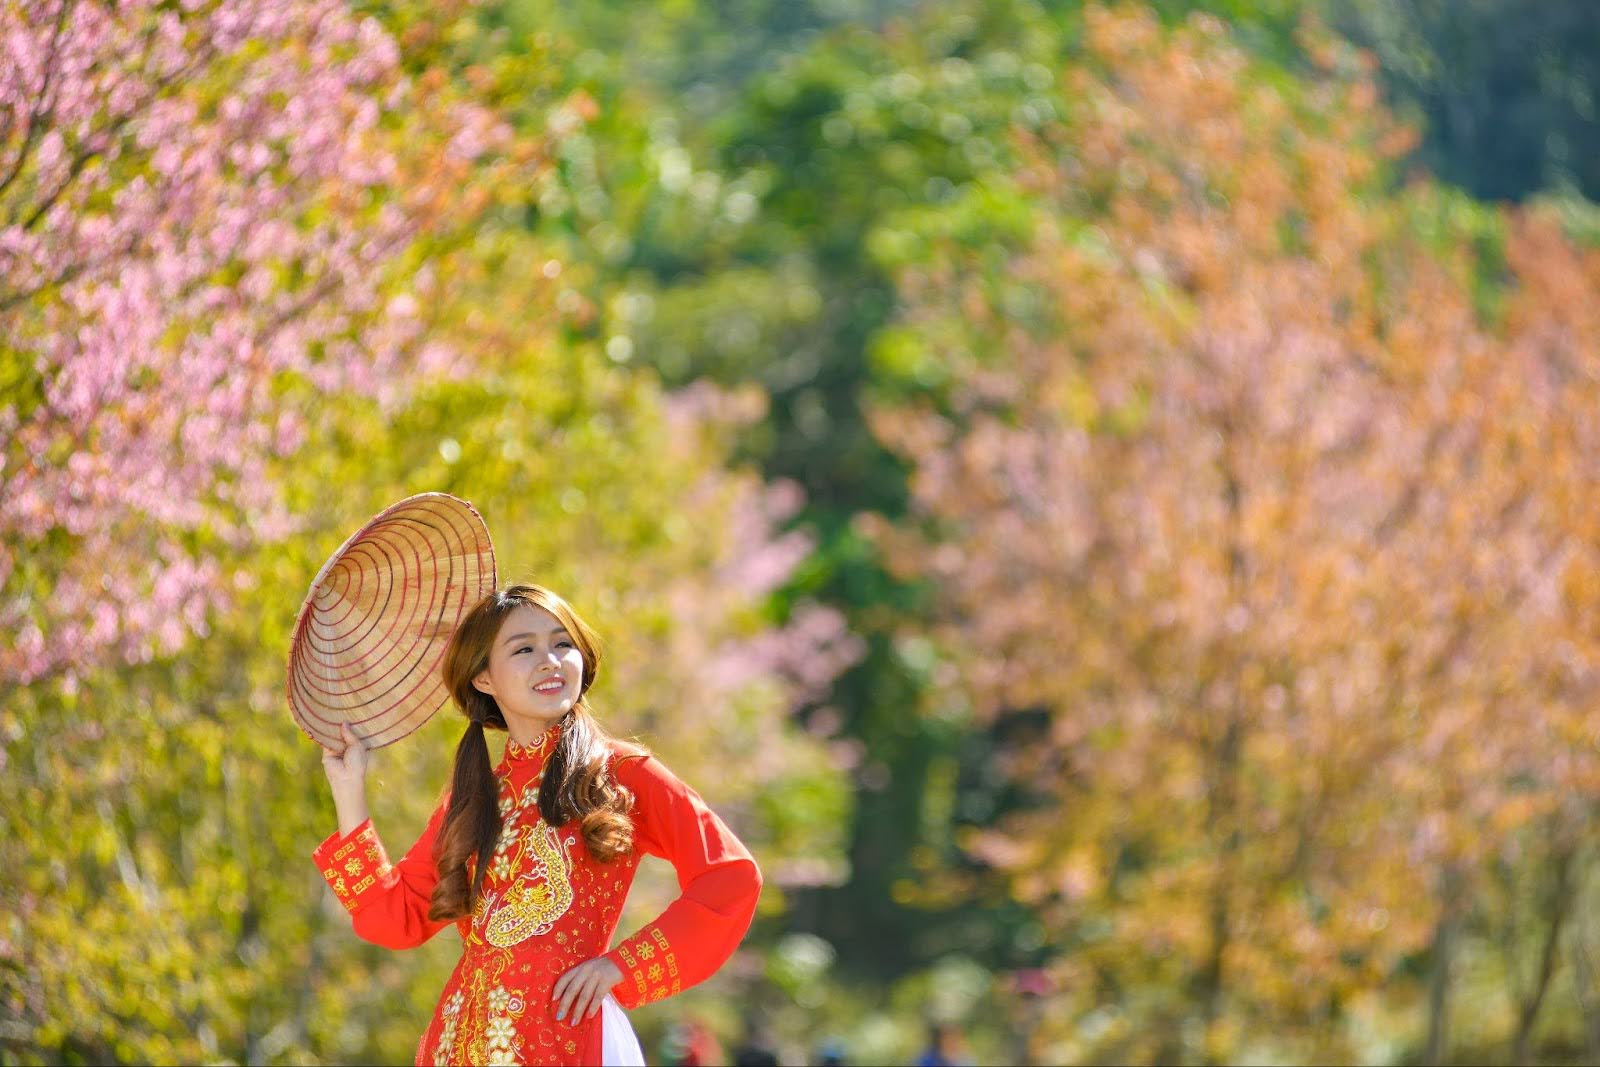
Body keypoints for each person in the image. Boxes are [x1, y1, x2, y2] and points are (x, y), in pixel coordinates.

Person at [315, 584, 763, 1066]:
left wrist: (622, 966)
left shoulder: (622, 774)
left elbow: (730, 877)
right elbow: (392, 919)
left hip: (570, 1037)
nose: (550, 660)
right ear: (483, 677)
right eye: (524, 649)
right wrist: (349, 791)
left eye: (562, 644)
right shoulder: (470, 802)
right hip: (463, 1043)